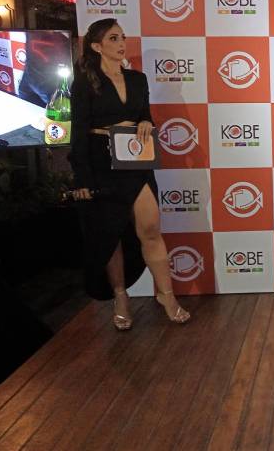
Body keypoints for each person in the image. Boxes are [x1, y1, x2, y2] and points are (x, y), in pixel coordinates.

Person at [69, 18, 190, 329]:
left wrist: (146, 122)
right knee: (111, 235)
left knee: (150, 228)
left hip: (135, 160)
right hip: (101, 164)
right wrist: (82, 178)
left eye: (122, 37)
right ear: (97, 46)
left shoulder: (138, 79)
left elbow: (144, 114)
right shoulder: (84, 82)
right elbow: (78, 132)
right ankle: (121, 297)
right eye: (113, 38)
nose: (121, 43)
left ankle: (167, 295)